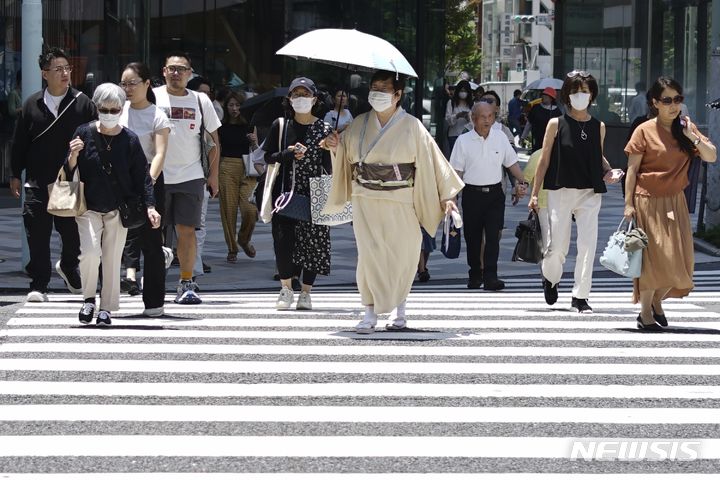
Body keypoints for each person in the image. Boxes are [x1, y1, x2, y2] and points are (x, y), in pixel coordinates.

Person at [323, 69, 464, 333]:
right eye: (373, 88)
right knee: (369, 255)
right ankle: (369, 312)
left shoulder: (412, 125)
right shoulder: (359, 123)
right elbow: (345, 154)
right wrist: (334, 144)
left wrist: (447, 196)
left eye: (384, 89)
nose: (377, 94)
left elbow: (433, 162)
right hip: (366, 197)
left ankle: (400, 310)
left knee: (404, 254)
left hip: (401, 198)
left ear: (398, 95)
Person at [624, 77, 716, 330]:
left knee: (679, 261)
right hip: (647, 201)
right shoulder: (643, 130)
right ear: (655, 102)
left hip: (676, 202)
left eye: (678, 99)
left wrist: (690, 135)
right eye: (667, 100)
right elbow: (632, 171)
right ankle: (645, 314)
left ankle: (655, 302)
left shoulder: (686, 127)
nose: (673, 105)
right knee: (654, 260)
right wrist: (628, 204)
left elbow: (711, 156)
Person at [529, 70, 624, 314]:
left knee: (587, 245)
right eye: (574, 91)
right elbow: (544, 159)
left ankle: (580, 296)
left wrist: (609, 170)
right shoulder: (555, 124)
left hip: (590, 191)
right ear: (566, 95)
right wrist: (534, 193)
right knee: (557, 247)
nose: (579, 95)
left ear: (592, 94)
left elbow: (596, 153)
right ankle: (550, 277)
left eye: (584, 91)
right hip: (560, 189)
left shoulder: (598, 126)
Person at [66, 83, 159, 325]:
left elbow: (142, 175)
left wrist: (150, 206)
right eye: (104, 109)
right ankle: (88, 299)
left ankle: (106, 308)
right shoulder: (83, 133)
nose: (109, 114)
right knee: (89, 253)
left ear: (121, 108)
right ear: (97, 108)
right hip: (87, 207)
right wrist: (73, 156)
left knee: (111, 258)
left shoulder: (129, 139)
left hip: (119, 209)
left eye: (114, 109)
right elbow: (67, 173)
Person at [10, 47, 96, 303]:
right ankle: (39, 284)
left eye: (67, 68)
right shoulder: (31, 104)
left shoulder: (82, 103)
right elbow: (19, 144)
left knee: (71, 235)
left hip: (69, 182)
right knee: (37, 235)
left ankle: (69, 266)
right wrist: (15, 173)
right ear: (44, 74)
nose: (65, 73)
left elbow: (95, 142)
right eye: (58, 69)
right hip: (37, 180)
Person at [153, 51, 221, 304]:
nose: (176, 73)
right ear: (163, 71)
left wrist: (213, 176)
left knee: (187, 231)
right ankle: (154, 278)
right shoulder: (153, 96)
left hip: (191, 175)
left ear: (190, 74)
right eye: (172, 68)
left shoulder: (200, 100)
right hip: (157, 175)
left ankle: (186, 281)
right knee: (155, 231)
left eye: (182, 69)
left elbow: (214, 141)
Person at [264, 77, 332, 311]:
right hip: (285, 193)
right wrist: (287, 154)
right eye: (296, 94)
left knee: (314, 243)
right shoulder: (281, 125)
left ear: (315, 99)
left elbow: (331, 167)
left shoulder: (324, 129)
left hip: (316, 193)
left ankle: (306, 292)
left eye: (305, 94)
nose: (300, 99)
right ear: (289, 99)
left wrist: (334, 147)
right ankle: (285, 289)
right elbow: (267, 157)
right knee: (283, 242)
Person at [451, 101, 527, 291]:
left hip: (494, 194)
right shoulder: (463, 141)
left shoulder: (500, 137)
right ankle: (475, 273)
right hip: (471, 194)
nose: (487, 120)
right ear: (473, 119)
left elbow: (512, 163)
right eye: (483, 117)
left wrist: (522, 182)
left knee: (493, 236)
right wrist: (452, 197)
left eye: (490, 116)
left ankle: (491, 276)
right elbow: (456, 172)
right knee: (473, 237)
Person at [119, 62, 172, 316]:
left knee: (151, 243)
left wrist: (147, 183)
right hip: (119, 181)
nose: (127, 89)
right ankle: (105, 298)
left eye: (132, 83)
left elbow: (160, 153)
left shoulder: (157, 115)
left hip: (150, 180)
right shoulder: (118, 111)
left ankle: (154, 303)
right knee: (112, 239)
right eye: (124, 84)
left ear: (147, 83)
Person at [218, 91, 258, 263]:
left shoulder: (250, 126)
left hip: (247, 168)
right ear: (226, 107)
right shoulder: (221, 126)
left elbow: (259, 153)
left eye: (238, 105)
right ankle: (232, 248)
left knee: (250, 209)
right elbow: (217, 151)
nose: (235, 108)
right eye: (231, 105)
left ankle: (244, 238)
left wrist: (255, 141)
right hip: (227, 166)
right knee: (229, 210)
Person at [521, 86, 562, 153]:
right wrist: (523, 137)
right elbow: (529, 123)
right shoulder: (535, 108)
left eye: (546, 96)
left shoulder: (556, 111)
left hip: (551, 142)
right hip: (537, 141)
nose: (543, 97)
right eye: (543, 95)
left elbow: (560, 128)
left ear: (551, 98)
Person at [445, 80, 473, 153]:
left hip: (468, 136)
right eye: (461, 90)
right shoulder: (451, 103)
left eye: (465, 91)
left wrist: (468, 118)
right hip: (454, 135)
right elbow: (448, 120)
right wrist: (457, 116)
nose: (463, 93)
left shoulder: (472, 104)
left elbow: (475, 121)